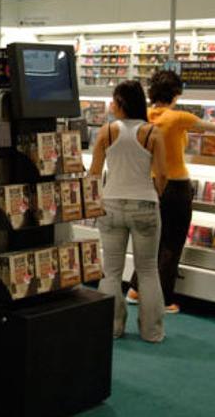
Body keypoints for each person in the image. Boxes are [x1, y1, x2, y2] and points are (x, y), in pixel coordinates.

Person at [127, 70, 215, 314]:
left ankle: (135, 289)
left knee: (151, 241)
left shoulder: (143, 117)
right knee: (171, 243)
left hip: (149, 184)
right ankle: (163, 300)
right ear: (176, 93)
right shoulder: (177, 117)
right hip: (175, 186)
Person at [90, 80, 168, 342]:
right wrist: (155, 192)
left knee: (111, 271)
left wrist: (97, 198)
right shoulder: (152, 133)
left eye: (113, 100)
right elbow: (163, 175)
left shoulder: (107, 132)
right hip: (144, 204)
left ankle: (111, 327)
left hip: (111, 204)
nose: (111, 105)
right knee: (147, 270)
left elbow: (94, 172)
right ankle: (152, 331)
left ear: (121, 103)